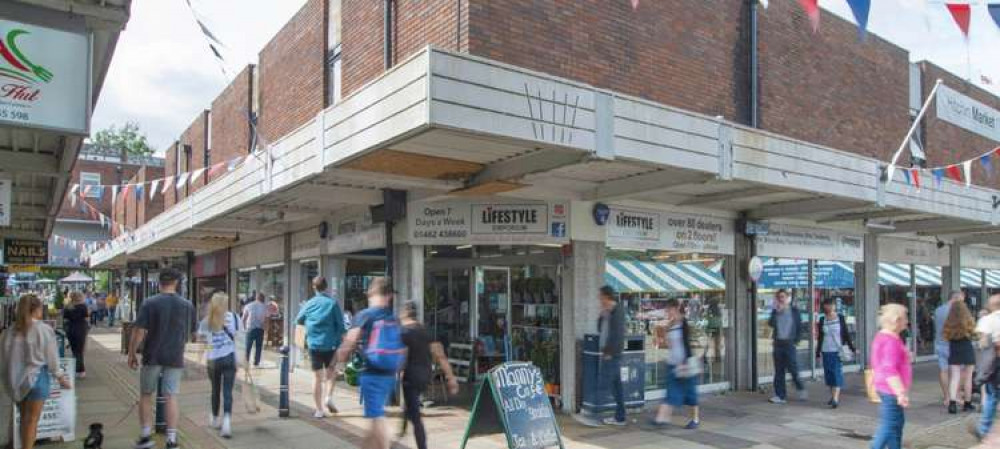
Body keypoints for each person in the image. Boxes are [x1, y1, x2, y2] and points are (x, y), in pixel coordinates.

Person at [128, 268, 197, 449]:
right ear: (176, 283)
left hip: (152, 355)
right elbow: (191, 333)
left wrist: (132, 353)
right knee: (171, 396)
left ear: (159, 283)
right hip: (175, 356)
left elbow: (140, 331)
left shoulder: (150, 303)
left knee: (145, 394)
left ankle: (145, 437)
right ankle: (172, 440)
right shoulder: (187, 305)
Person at [337, 277, 402, 449]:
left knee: (377, 417)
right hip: (389, 375)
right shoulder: (393, 317)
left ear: (371, 293)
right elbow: (402, 349)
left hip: (371, 374)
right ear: (389, 296)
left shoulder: (365, 315)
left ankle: (388, 443)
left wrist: (339, 358)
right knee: (373, 421)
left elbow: (350, 342)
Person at [0, 294, 73, 449]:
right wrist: (61, 377)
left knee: (24, 420)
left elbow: (4, 360)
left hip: (15, 380)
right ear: (37, 309)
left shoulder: (8, 332)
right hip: (37, 378)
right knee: (32, 420)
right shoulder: (43, 329)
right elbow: (52, 358)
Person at [398, 301, 459, 449]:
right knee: (409, 403)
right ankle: (402, 428)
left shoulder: (404, 332)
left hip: (410, 377)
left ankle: (422, 446)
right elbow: (441, 356)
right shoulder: (427, 331)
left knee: (416, 417)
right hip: (425, 375)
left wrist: (398, 372)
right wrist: (451, 378)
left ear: (404, 313)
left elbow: (401, 357)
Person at [295, 276, 346, 418]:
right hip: (331, 345)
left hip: (314, 345)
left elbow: (298, 320)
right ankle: (328, 397)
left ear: (313, 287)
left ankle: (319, 410)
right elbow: (341, 326)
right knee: (331, 373)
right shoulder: (332, 303)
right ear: (326, 287)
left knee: (317, 378)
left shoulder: (309, 304)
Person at [651, 298, 700, 429]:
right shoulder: (671, 324)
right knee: (671, 391)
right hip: (673, 363)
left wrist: (685, 362)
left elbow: (687, 345)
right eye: (667, 309)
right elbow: (670, 344)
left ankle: (695, 419)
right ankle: (661, 418)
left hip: (685, 364)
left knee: (690, 393)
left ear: (676, 308)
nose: (667, 312)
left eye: (669, 309)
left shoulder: (684, 323)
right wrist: (659, 341)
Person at [197, 291, 239, 438]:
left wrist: (203, 357)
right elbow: (239, 339)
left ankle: (215, 419)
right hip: (229, 358)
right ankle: (227, 422)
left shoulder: (206, 321)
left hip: (213, 360)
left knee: (215, 390)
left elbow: (203, 343)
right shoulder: (234, 317)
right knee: (228, 392)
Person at [870, 304, 912, 449]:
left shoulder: (882, 336)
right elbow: (889, 369)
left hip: (885, 387)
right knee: (889, 426)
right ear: (896, 321)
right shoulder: (891, 341)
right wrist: (900, 393)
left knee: (896, 424)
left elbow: (879, 363)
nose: (907, 321)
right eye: (905, 318)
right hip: (891, 390)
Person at [816, 297, 856, 409]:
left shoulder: (840, 318)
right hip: (826, 350)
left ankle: (835, 399)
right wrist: (818, 352)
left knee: (836, 373)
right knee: (829, 374)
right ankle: (833, 396)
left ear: (834, 306)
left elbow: (846, 334)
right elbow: (820, 337)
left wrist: (853, 348)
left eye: (831, 305)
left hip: (837, 351)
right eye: (827, 305)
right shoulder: (822, 319)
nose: (829, 307)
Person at [768, 289, 805, 404]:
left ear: (787, 298)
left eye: (783, 297)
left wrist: (797, 340)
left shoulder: (794, 311)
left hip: (789, 344)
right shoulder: (776, 311)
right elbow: (771, 323)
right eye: (779, 297)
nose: (781, 299)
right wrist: (776, 312)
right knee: (779, 371)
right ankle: (780, 395)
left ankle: (800, 387)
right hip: (778, 344)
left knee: (793, 369)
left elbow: (799, 326)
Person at [597, 285, 626, 426]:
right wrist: (602, 316)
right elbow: (599, 329)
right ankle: (620, 417)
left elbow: (618, 335)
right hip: (608, 353)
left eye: (601, 296)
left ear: (607, 297)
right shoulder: (609, 311)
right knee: (616, 386)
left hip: (612, 355)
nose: (599, 299)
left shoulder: (617, 312)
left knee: (603, 384)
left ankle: (594, 415)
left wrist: (609, 352)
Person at [943, 299, 977, 414]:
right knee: (968, 377)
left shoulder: (949, 321)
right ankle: (967, 403)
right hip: (967, 348)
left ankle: (952, 404)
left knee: (955, 377)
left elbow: (945, 336)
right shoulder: (969, 320)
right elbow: (974, 334)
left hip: (954, 348)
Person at [975, 294, 1000, 441]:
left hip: (994, 362)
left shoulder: (986, 320)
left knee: (991, 395)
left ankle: (984, 429)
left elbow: (982, 343)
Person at [936, 291, 964, 404]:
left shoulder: (938, 310)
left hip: (940, 343)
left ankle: (946, 397)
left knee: (943, 370)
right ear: (956, 298)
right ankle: (955, 395)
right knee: (959, 371)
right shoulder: (957, 311)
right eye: (961, 300)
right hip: (954, 344)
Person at [62, 290, 90, 378]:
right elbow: (86, 318)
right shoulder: (83, 307)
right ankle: (80, 370)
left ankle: (76, 369)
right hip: (81, 329)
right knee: (80, 351)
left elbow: (65, 319)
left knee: (74, 351)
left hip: (70, 329)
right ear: (80, 297)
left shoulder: (67, 306)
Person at [242, 292, 270, 368]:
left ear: (256, 298)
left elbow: (244, 318)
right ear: (262, 298)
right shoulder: (265, 307)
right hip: (260, 329)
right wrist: (266, 330)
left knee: (248, 346)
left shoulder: (248, 306)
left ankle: (246, 361)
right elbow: (267, 320)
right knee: (258, 346)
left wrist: (244, 328)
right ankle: (256, 362)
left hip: (250, 329)